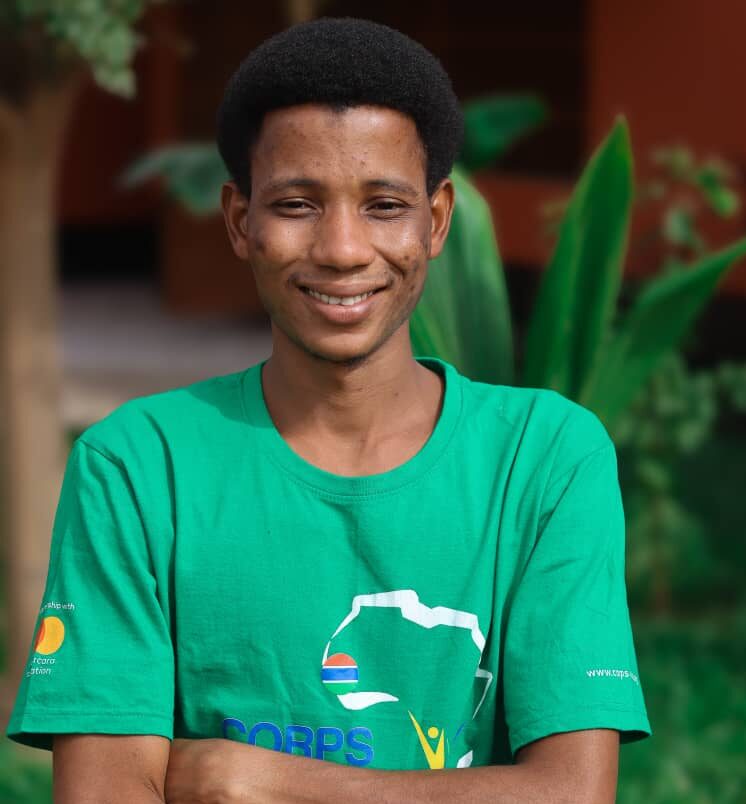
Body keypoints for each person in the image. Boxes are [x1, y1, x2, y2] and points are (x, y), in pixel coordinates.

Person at [6, 16, 652, 803]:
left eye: (383, 205)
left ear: (435, 221)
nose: (343, 249)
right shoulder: (139, 467)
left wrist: (255, 778)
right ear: (240, 221)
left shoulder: (545, 457)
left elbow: (573, 793)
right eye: (296, 204)